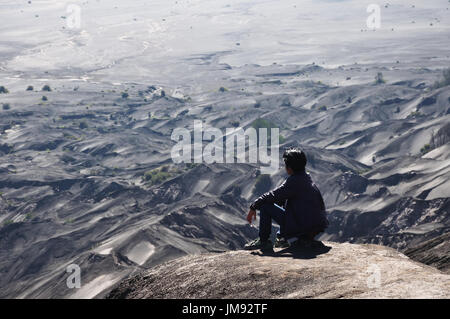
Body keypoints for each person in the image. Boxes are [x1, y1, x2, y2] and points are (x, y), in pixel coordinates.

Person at [244, 148, 329, 251]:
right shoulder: (306, 178)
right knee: (284, 201)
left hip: (303, 226)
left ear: (289, 168)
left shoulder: (294, 181)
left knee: (265, 206)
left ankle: (263, 241)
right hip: (315, 226)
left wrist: (253, 206)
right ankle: (282, 238)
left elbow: (272, 195)